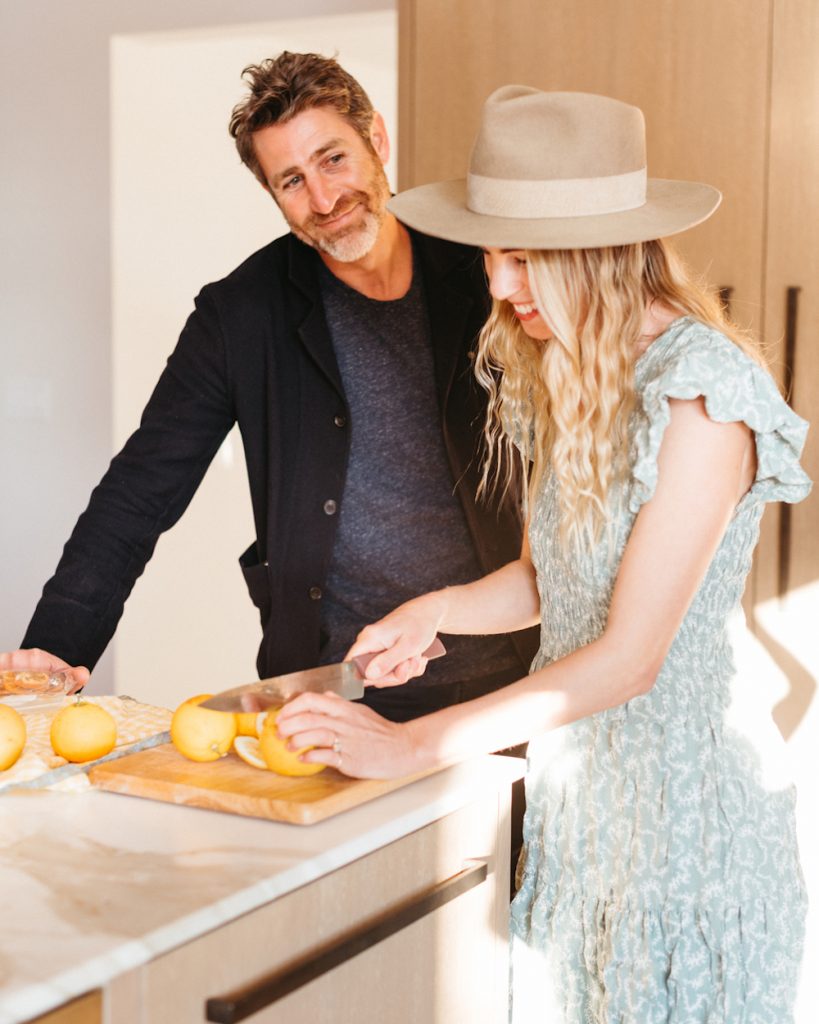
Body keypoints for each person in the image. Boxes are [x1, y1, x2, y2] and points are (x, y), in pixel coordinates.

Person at [274, 86, 811, 1021]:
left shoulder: (701, 392)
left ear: (600, 253)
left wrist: (411, 744)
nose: (498, 285)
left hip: (679, 824)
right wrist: (432, 610)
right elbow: (545, 577)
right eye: (491, 254)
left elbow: (628, 656)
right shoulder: (561, 365)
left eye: (522, 259)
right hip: (579, 799)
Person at [0, 52, 536, 725]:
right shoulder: (240, 315)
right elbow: (138, 491)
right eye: (291, 180)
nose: (323, 200)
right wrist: (56, 644)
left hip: (512, 676)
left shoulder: (482, 265)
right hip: (334, 694)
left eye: (333, 159)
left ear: (377, 140)